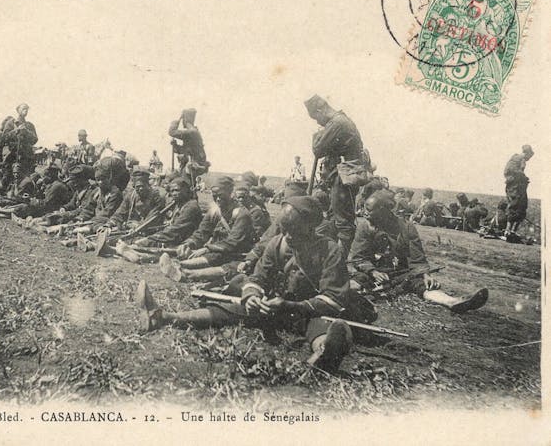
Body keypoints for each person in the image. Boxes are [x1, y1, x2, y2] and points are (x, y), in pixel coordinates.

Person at [136, 196, 376, 373]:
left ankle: (325, 353)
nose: (288, 236)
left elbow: (333, 299)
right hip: (271, 307)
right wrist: (252, 297)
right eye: (285, 229)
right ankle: (164, 317)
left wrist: (293, 305)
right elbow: (258, 278)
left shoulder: (329, 250)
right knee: (231, 308)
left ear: (310, 227)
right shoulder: (277, 243)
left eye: (294, 230)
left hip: (306, 311)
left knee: (320, 325)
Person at [349, 191, 488, 313]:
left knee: (421, 283)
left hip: (400, 272)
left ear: (383, 210)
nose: (364, 212)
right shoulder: (365, 227)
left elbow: (416, 257)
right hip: (372, 272)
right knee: (357, 281)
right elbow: (359, 257)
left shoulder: (407, 227)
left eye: (369, 209)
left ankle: (452, 302)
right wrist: (373, 271)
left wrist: (425, 274)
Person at [304, 95, 368, 254]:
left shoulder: (337, 123)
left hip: (343, 177)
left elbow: (318, 149)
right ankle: (332, 255)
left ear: (320, 110)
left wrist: (316, 135)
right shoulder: (341, 121)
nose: (318, 122)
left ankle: (341, 260)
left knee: (342, 222)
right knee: (336, 218)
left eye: (316, 117)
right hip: (342, 175)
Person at [159, 176, 254, 282]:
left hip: (236, 254)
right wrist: (189, 243)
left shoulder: (241, 214)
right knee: (209, 255)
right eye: (215, 196)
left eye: (221, 196)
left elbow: (233, 242)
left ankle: (179, 266)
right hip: (217, 251)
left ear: (230, 193)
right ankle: (177, 265)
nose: (218, 199)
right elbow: (202, 232)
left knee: (217, 258)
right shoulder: (215, 211)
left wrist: (207, 248)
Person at [133, 177, 203, 248]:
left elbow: (175, 230)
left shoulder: (191, 206)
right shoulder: (178, 204)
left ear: (186, 190)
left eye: (177, 190)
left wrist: (149, 239)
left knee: (141, 244)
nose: (174, 194)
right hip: (175, 237)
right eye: (172, 191)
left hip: (186, 242)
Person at [169, 108, 209, 183]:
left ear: (185, 120)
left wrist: (175, 123)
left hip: (193, 165)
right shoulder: (192, 132)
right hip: (189, 163)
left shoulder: (192, 132)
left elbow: (171, 132)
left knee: (182, 184)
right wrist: (175, 146)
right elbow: (185, 150)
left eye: (183, 120)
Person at [504, 145, 533, 240]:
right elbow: (518, 173)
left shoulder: (514, 158)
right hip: (517, 187)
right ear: (527, 153)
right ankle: (510, 231)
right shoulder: (521, 159)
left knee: (514, 206)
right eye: (530, 156)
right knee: (518, 207)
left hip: (512, 186)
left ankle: (509, 231)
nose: (529, 158)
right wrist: (524, 178)